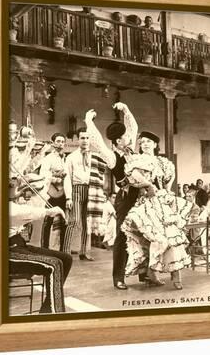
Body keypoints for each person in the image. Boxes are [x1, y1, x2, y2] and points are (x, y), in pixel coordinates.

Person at [121, 131, 193, 290]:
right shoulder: (137, 161)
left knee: (172, 237)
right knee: (155, 239)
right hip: (146, 203)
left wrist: (167, 195)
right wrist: (148, 185)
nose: (145, 144)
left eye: (148, 141)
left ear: (155, 144)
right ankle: (152, 273)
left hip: (163, 202)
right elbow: (135, 179)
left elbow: (167, 184)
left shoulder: (164, 162)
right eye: (142, 142)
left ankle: (176, 275)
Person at [82, 103, 140, 290]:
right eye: (124, 138)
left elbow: (133, 128)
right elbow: (97, 141)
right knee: (123, 237)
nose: (128, 138)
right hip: (126, 199)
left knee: (147, 234)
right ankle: (118, 278)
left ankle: (146, 274)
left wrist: (126, 110)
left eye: (126, 137)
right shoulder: (112, 157)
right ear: (117, 142)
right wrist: (88, 122)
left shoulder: (131, 150)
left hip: (142, 196)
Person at [8, 176, 72, 313]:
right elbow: (21, 212)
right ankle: (55, 314)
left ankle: (48, 308)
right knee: (54, 265)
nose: (14, 186)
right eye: (11, 184)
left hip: (18, 244)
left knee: (66, 259)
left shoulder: (10, 199)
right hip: (7, 251)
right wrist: (49, 211)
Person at [62, 126, 106, 262]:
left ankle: (83, 252)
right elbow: (66, 177)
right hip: (76, 190)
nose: (85, 140)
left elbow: (101, 176)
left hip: (92, 190)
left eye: (87, 138)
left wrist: (100, 192)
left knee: (87, 222)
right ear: (77, 139)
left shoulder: (95, 157)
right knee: (74, 221)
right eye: (82, 138)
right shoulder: (71, 157)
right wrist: (68, 196)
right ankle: (65, 252)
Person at [39, 132, 68, 251]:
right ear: (53, 143)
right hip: (52, 192)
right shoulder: (48, 158)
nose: (60, 144)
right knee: (48, 220)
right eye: (58, 141)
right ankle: (44, 248)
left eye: (62, 142)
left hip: (63, 193)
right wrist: (55, 177)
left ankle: (62, 249)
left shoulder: (65, 158)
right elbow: (43, 174)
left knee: (64, 220)